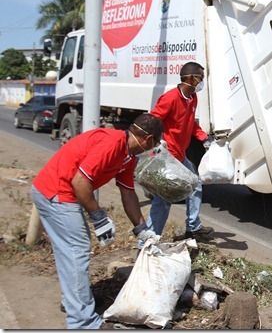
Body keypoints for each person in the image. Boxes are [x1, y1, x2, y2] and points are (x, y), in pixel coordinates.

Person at [31, 113, 163, 329]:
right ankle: (82, 322)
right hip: (56, 192)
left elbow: (128, 193)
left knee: (71, 252)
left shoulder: (128, 157)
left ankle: (75, 302)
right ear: (148, 140)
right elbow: (80, 181)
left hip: (62, 192)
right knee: (76, 249)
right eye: (157, 142)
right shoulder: (112, 144)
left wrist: (142, 228)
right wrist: (99, 217)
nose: (155, 147)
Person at [143, 61, 214, 246]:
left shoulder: (192, 98)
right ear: (190, 78)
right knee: (163, 201)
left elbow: (190, 123)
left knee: (195, 185)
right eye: (200, 77)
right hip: (166, 157)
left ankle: (193, 227)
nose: (201, 82)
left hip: (179, 155)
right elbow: (153, 120)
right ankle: (147, 244)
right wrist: (158, 141)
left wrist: (203, 137)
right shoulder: (170, 98)